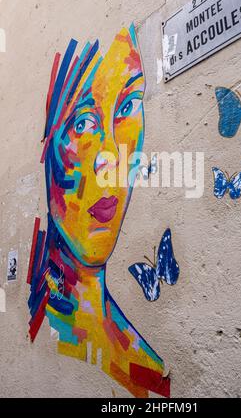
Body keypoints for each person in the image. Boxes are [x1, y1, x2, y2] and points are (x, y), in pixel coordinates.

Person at [27, 26, 170, 398]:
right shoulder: (46, 325)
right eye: (83, 123)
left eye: (126, 107)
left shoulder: (147, 371)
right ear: (48, 148)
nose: (110, 157)